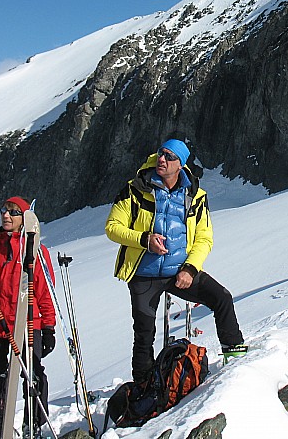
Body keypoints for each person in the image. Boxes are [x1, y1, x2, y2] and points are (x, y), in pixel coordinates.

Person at [105, 139, 246, 383]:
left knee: (222, 298)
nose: (162, 159)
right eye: (161, 153)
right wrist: (144, 240)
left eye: (170, 157)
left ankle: (235, 359)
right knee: (144, 334)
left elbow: (204, 238)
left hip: (179, 271)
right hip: (143, 274)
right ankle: (144, 388)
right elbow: (112, 227)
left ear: (180, 165)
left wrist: (190, 269)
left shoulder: (196, 196)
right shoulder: (135, 189)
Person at [0, 196, 56, 439]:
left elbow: (44, 292)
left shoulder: (36, 250)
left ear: (25, 218)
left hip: (27, 325)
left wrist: (48, 327)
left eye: (13, 212)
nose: (6, 215)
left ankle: (33, 425)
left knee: (33, 377)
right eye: (4, 210)